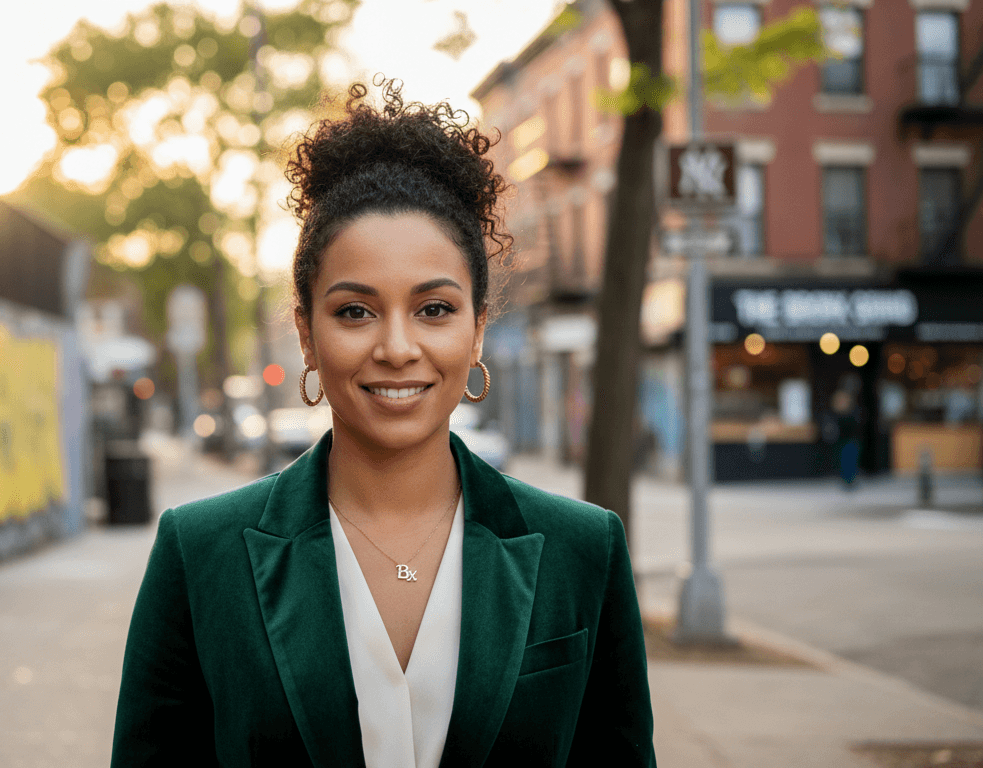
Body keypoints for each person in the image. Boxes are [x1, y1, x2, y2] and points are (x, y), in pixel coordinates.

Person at [112, 79, 655, 767]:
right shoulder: (201, 554)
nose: (397, 347)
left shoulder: (583, 550)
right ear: (306, 334)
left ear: (478, 329)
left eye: (434, 309)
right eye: (355, 311)